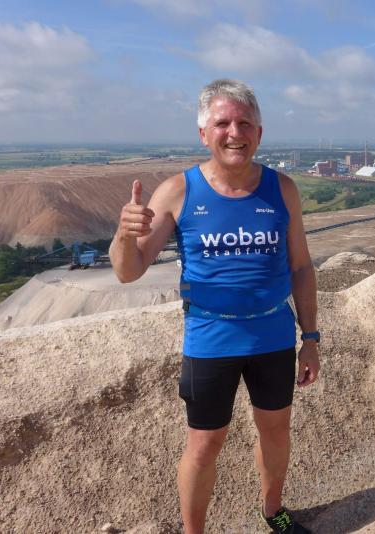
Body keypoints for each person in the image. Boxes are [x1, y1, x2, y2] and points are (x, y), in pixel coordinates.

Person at [109, 79, 319, 534]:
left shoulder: (283, 189)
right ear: (204, 134)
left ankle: (273, 511)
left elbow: (302, 267)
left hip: (273, 335)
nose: (234, 132)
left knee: (276, 431)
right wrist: (124, 234)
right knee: (204, 444)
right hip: (210, 338)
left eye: (244, 123)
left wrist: (311, 338)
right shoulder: (178, 191)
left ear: (259, 133)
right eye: (222, 123)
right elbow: (128, 271)